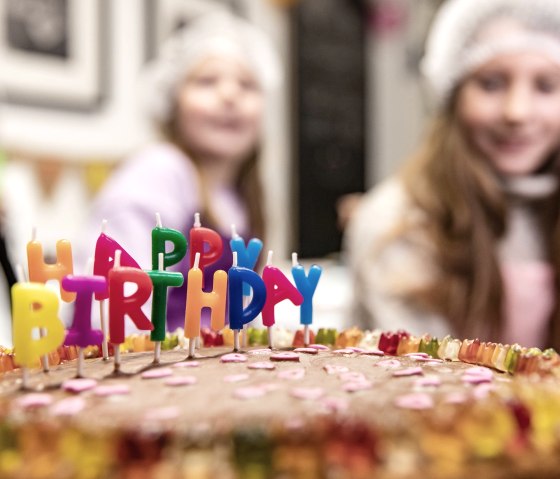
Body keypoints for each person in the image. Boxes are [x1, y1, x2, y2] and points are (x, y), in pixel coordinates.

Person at [344, 0, 560, 350]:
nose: (517, 112)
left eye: (546, 86)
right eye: (491, 84)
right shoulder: (396, 224)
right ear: (452, 96)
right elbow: (419, 385)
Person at [75, 11, 282, 332]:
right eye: (206, 81)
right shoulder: (160, 169)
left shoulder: (239, 197)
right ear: (172, 104)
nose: (230, 95)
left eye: (248, 84)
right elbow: (114, 304)